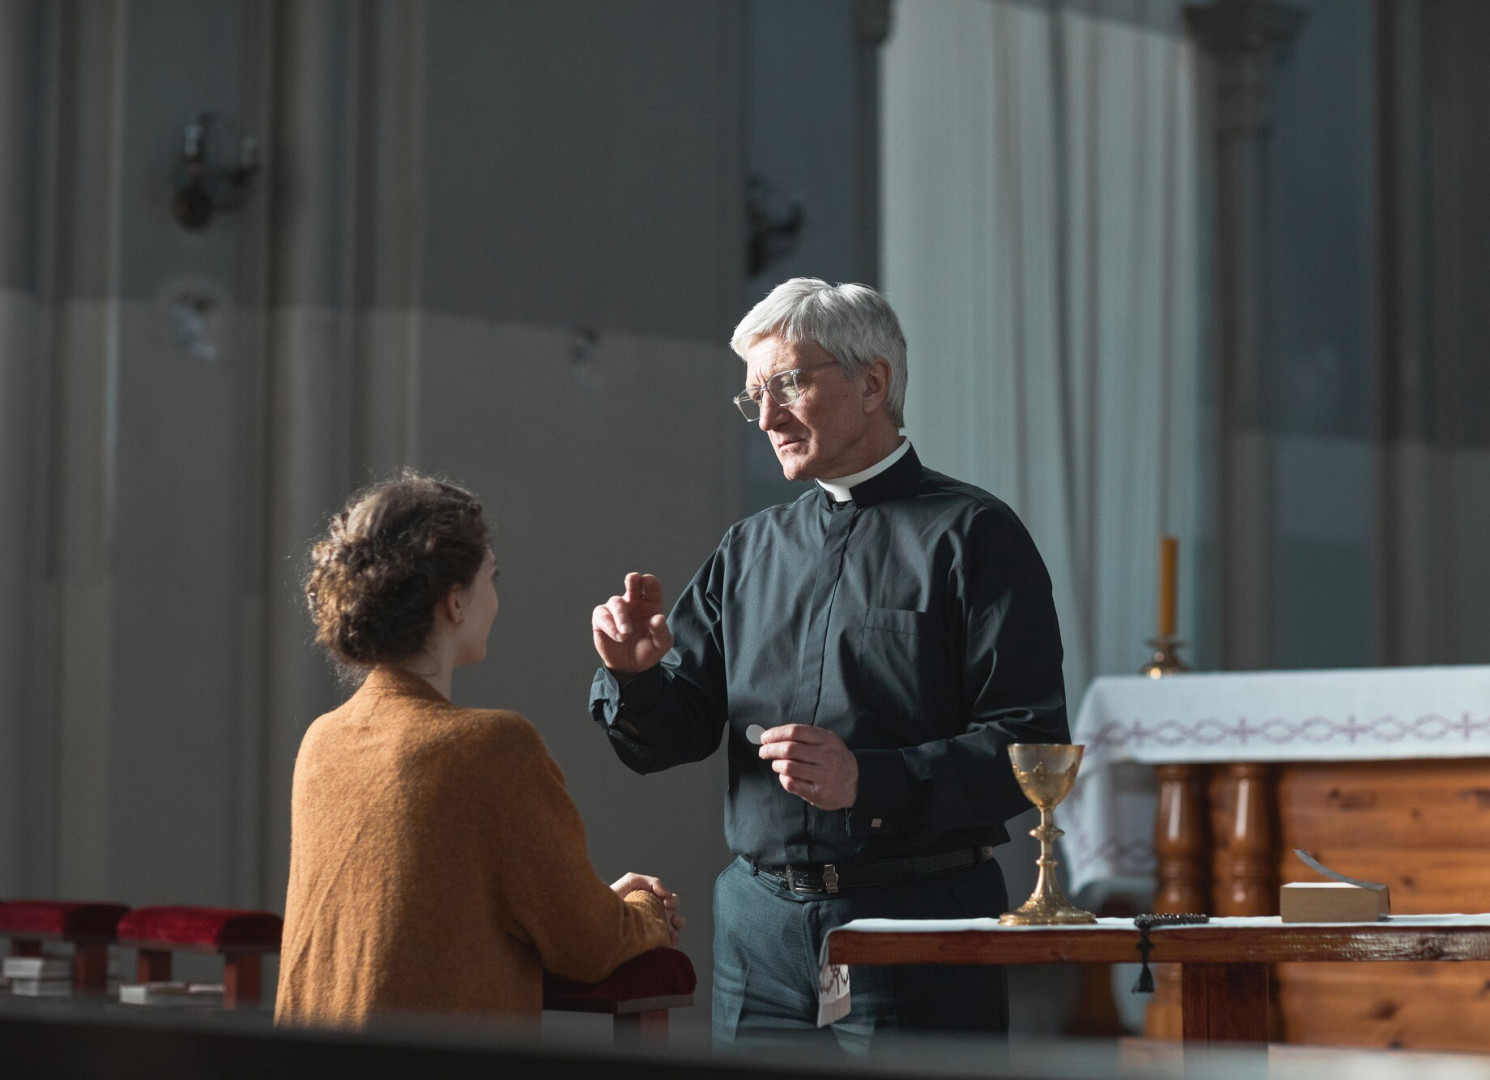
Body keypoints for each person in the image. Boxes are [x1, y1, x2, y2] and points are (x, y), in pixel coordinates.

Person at [588, 278, 1068, 1049]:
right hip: (759, 932)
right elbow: (671, 739)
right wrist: (637, 675)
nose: (769, 418)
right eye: (755, 397)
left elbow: (1029, 744)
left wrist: (869, 781)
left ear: (873, 381)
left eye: (788, 384)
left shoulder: (974, 536)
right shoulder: (747, 551)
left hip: (916, 922)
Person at [277, 472, 681, 1029]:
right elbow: (589, 946)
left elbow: (423, 916)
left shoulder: (322, 740)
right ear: (455, 602)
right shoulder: (493, 747)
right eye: (491, 576)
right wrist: (645, 911)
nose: (496, 596)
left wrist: (584, 900)